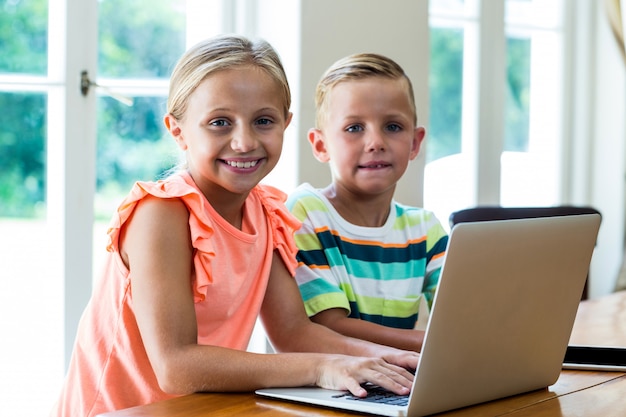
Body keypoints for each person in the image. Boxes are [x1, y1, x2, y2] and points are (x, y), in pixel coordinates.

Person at [51, 36, 419, 417]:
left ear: (285, 124)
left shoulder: (267, 212)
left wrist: (398, 360)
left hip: (199, 410)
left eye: (263, 121)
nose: (244, 142)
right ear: (177, 131)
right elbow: (175, 367)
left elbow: (295, 333)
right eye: (220, 122)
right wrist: (322, 366)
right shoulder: (160, 213)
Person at [286, 53, 449, 353]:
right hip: (321, 387)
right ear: (321, 146)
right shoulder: (306, 212)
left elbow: (458, 317)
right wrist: (429, 344)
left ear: (415, 143)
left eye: (393, 127)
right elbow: (329, 326)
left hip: (396, 381)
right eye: (354, 128)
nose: (376, 142)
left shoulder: (425, 229)